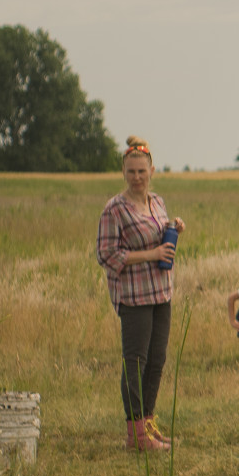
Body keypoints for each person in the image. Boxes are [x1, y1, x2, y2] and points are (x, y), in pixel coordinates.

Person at [95, 135, 184, 453]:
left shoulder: (157, 201)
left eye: (141, 172)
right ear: (123, 172)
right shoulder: (114, 210)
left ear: (152, 172)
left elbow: (159, 237)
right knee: (135, 362)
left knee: (157, 361)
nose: (136, 177)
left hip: (161, 291)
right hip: (134, 296)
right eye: (131, 172)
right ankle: (135, 434)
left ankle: (148, 423)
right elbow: (106, 254)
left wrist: (173, 229)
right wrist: (151, 253)